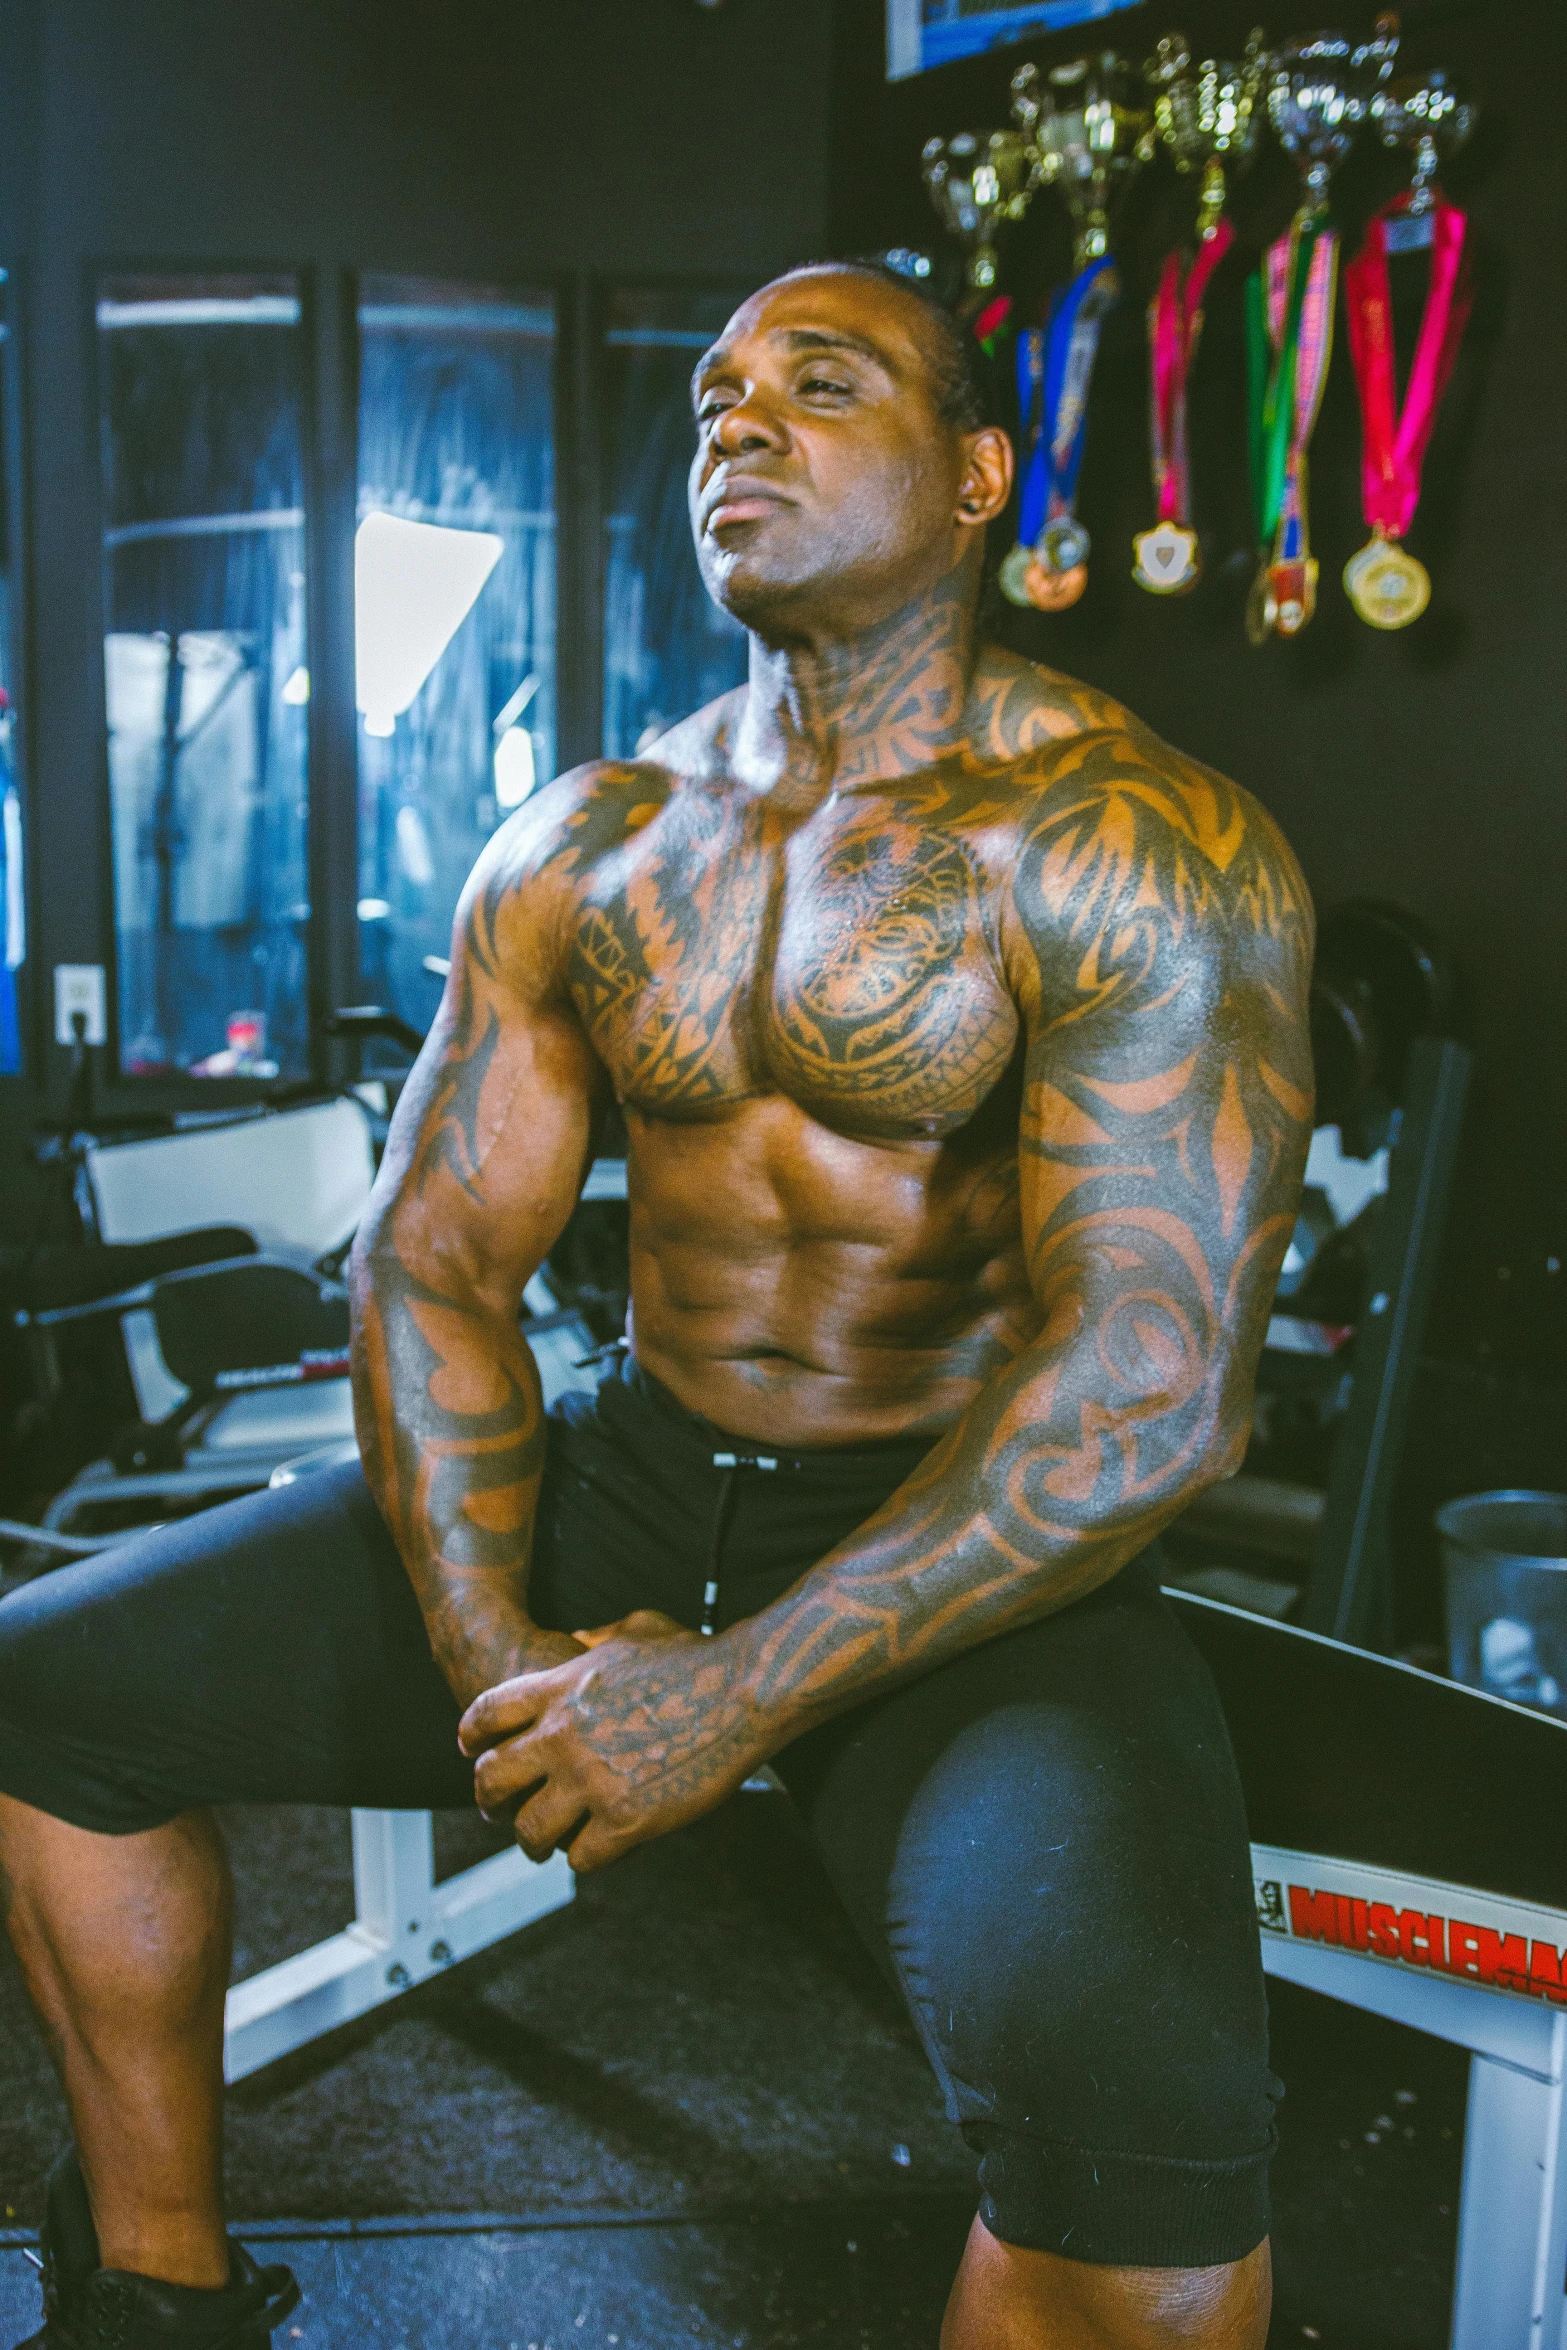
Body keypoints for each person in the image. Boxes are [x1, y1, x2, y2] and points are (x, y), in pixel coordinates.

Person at [0, 261, 1312, 2350]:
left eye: (820, 380)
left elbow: (1148, 1391)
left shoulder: (1131, 841)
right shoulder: (592, 839)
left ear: (978, 473)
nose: (738, 425)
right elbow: (430, 1255)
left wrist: (727, 1696)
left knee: (1150, 2162)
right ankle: (154, 2298)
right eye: (710, 400)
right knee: (48, 1694)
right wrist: (504, 1656)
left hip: (961, 1543)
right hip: (628, 1469)